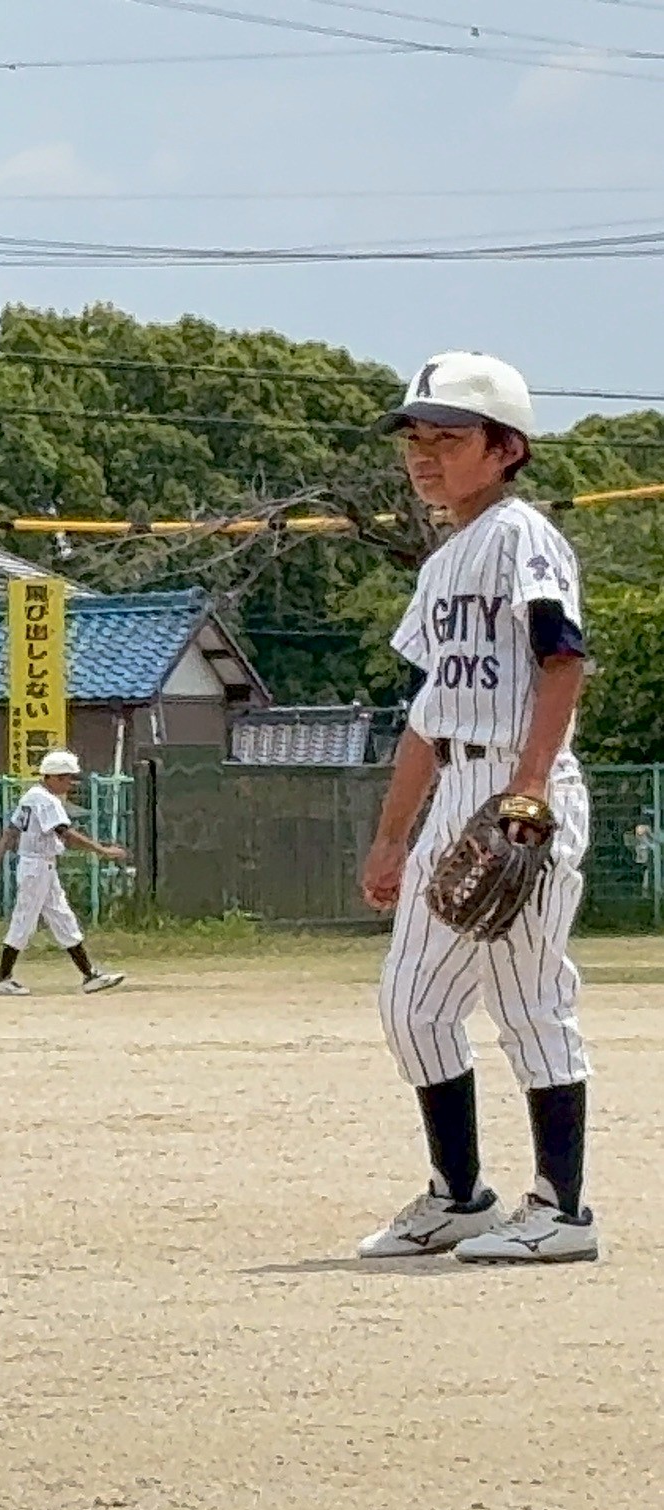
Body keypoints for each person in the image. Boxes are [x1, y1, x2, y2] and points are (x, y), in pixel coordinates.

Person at [356, 351, 597, 1264]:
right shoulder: (444, 561)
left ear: (506, 449)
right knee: (412, 1005)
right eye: (416, 438)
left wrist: (528, 788)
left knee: (528, 998)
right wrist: (392, 839)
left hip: (520, 786)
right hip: (458, 790)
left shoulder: (521, 535)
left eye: (449, 438)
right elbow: (429, 717)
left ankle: (563, 1212)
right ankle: (459, 1197)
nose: (425, 455)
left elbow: (561, 660)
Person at [0, 750, 129, 996]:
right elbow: (65, 833)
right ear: (53, 777)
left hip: (41, 866)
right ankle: (2, 979)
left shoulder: (31, 796)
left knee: (63, 919)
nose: (70, 783)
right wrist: (103, 850)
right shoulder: (47, 800)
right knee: (24, 920)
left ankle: (90, 975)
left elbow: (11, 830)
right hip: (37, 867)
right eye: (66, 778)